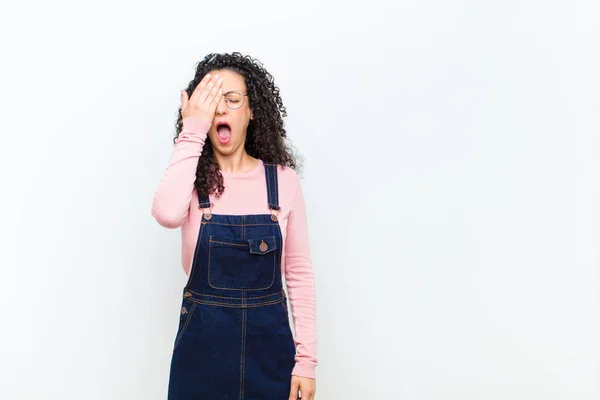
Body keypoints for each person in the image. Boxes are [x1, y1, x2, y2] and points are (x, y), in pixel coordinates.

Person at [151, 52, 317, 400]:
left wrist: (306, 362)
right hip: (202, 355)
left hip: (269, 357)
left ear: (252, 110)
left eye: (232, 100)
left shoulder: (284, 182)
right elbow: (166, 214)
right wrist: (192, 129)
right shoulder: (190, 183)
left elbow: (299, 273)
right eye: (212, 102)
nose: (222, 110)